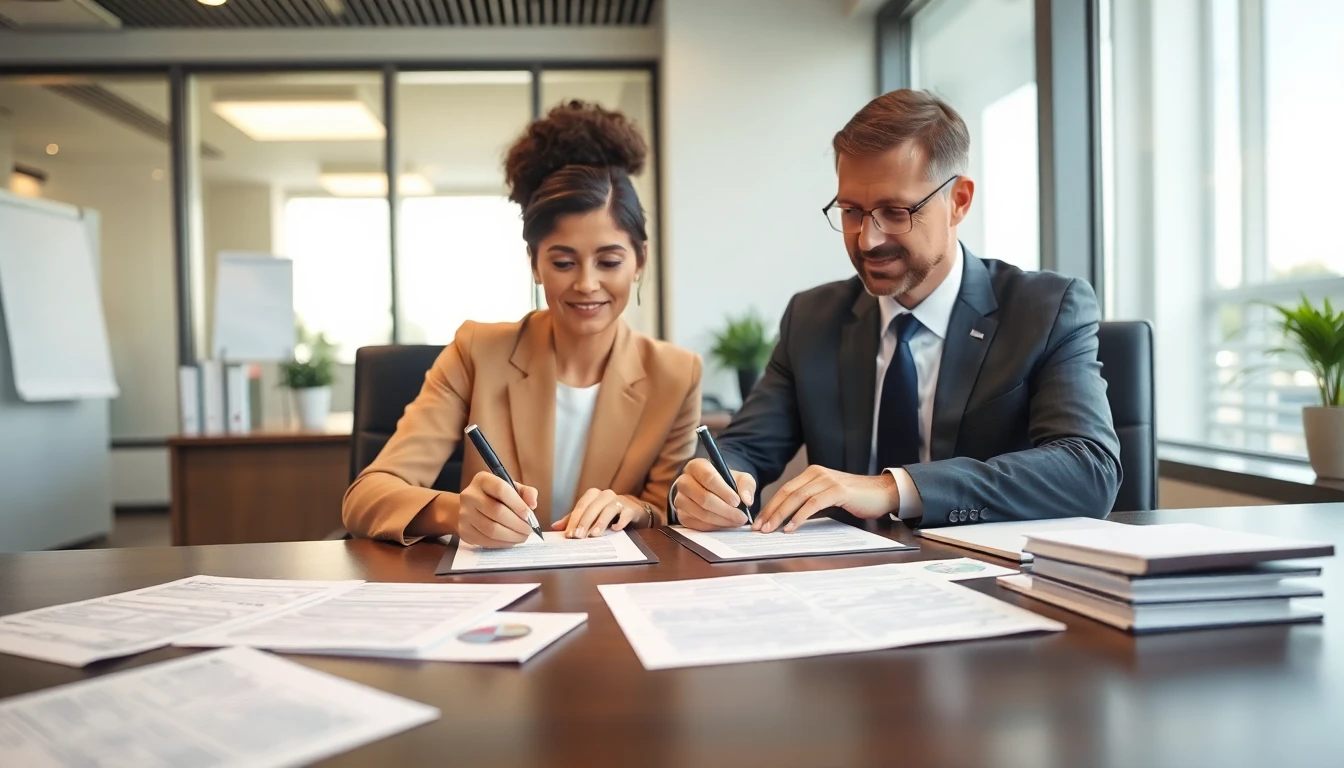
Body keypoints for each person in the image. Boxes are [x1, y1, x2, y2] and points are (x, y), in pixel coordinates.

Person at [672, 89, 1120, 533]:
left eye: (895, 211)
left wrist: (894, 489)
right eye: (851, 211)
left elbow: (1089, 469)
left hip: (985, 582)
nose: (868, 239)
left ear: (959, 200)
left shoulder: (1044, 310)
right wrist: (707, 486)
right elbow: (744, 448)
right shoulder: (812, 318)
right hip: (845, 585)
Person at [343, 101, 701, 547]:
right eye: (563, 261)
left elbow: (666, 510)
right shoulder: (477, 351)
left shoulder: (676, 373)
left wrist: (634, 508)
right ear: (534, 263)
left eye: (609, 261)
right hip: (500, 592)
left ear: (640, 261)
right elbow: (366, 498)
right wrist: (457, 512)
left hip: (615, 589)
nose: (587, 284)